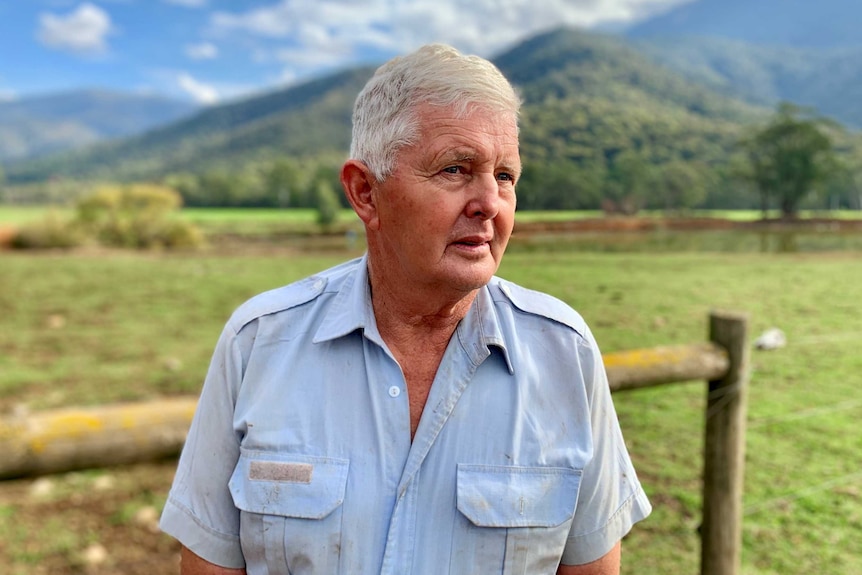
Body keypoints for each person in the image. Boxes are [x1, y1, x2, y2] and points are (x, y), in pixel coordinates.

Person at [160, 43, 651, 575]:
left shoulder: (564, 352)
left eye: (505, 176)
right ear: (366, 192)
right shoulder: (258, 343)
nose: (489, 202)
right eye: (456, 169)